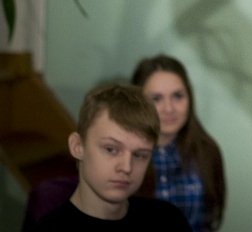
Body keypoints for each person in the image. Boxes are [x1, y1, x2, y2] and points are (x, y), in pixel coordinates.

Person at [29, 82, 191, 231]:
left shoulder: (168, 220)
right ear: (77, 146)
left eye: (139, 155)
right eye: (111, 149)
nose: (126, 167)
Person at [131, 55, 226, 232]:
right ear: (138, 103)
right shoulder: (123, 155)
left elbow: (210, 220)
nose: (169, 108)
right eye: (156, 99)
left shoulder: (207, 151)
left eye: (177, 96)